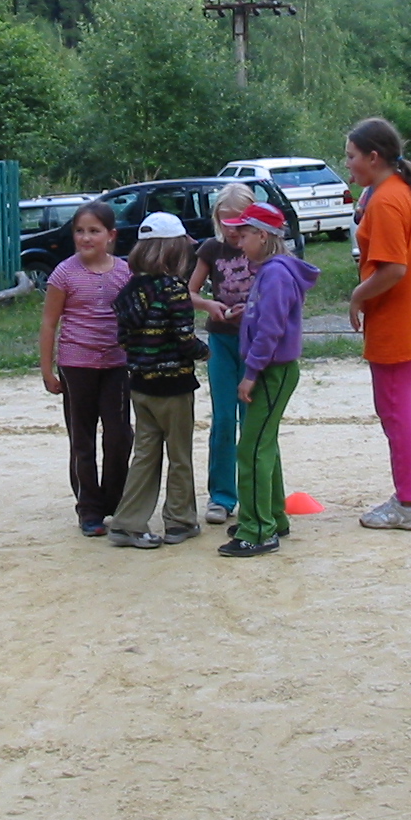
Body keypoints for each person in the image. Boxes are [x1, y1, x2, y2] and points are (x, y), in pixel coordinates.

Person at [345, 118, 411, 531]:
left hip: (397, 322)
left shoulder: (387, 200)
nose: (348, 164)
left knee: (394, 408)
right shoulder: (402, 191)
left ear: (373, 157)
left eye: (351, 156)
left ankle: (408, 502)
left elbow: (393, 269)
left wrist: (358, 296)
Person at [216, 202, 318, 558]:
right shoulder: (270, 271)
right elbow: (268, 316)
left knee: (252, 448)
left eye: (244, 234)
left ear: (263, 235)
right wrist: (248, 313)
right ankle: (272, 516)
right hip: (271, 369)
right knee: (264, 443)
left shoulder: (276, 274)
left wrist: (251, 374)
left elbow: (272, 330)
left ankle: (258, 531)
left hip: (271, 371)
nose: (238, 240)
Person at [107, 212, 208, 549]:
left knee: (145, 455)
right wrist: (205, 352)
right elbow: (184, 340)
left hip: (140, 384)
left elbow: (123, 339)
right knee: (179, 456)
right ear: (173, 250)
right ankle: (180, 521)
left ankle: (127, 524)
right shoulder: (174, 290)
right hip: (174, 386)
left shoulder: (130, 290)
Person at [39, 200, 134, 536]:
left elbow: (135, 317)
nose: (86, 238)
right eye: (79, 231)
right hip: (76, 365)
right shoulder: (64, 273)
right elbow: (49, 323)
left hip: (116, 364)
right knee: (82, 438)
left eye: (94, 231)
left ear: (111, 235)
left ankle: (115, 500)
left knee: (119, 435)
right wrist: (47, 370)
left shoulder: (125, 272)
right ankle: (89, 509)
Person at [187, 182, 256, 526]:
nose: (232, 229)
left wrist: (253, 308)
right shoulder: (211, 249)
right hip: (221, 341)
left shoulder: (261, 247)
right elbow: (190, 293)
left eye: (239, 220)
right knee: (224, 418)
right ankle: (222, 496)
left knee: (253, 418)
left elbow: (281, 290)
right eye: (226, 221)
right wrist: (208, 305)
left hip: (256, 342)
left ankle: (255, 493)